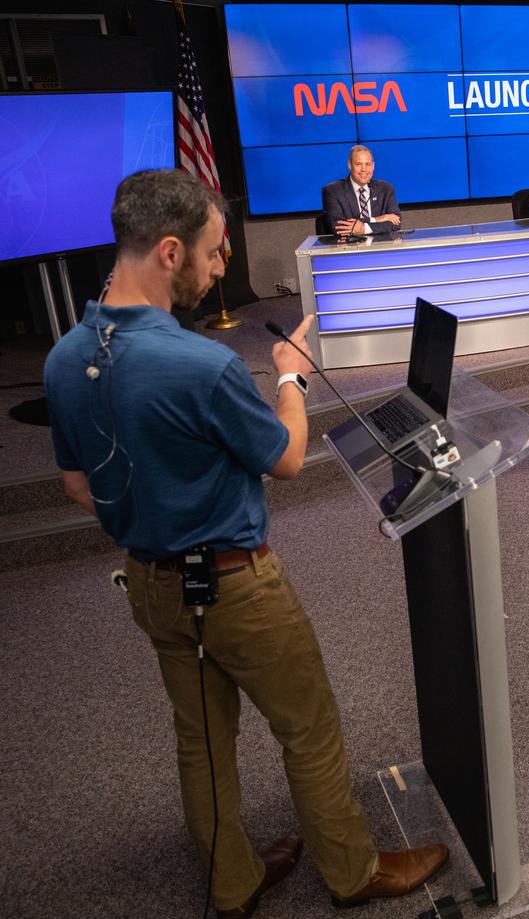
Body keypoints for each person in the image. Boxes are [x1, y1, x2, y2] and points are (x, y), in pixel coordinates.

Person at [42, 169, 445, 918]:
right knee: (311, 728)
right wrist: (290, 379)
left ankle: (232, 881)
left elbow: (76, 486)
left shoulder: (65, 357)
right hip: (238, 586)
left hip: (154, 586)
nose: (222, 268)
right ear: (169, 250)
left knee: (201, 740)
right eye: (215, 253)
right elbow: (286, 458)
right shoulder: (202, 364)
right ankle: (354, 873)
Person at [321, 144, 402, 236]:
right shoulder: (332, 191)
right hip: (349, 247)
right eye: (358, 164)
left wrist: (364, 228)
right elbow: (338, 227)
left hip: (380, 246)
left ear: (373, 166)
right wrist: (377, 219)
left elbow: (396, 223)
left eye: (367, 164)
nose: (364, 169)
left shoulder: (386, 189)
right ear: (349, 165)